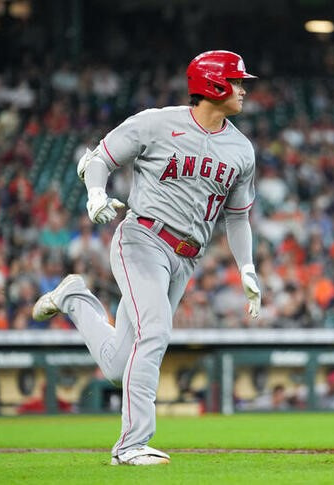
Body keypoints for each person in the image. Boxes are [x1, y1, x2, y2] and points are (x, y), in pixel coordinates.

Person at [32, 50, 261, 465]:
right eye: (238, 81)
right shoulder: (156, 122)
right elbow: (99, 159)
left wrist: (247, 267)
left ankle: (73, 297)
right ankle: (131, 444)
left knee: (118, 366)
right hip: (142, 239)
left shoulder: (242, 150)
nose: (244, 90)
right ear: (214, 85)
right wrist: (96, 193)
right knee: (154, 332)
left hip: (186, 260)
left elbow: (238, 218)